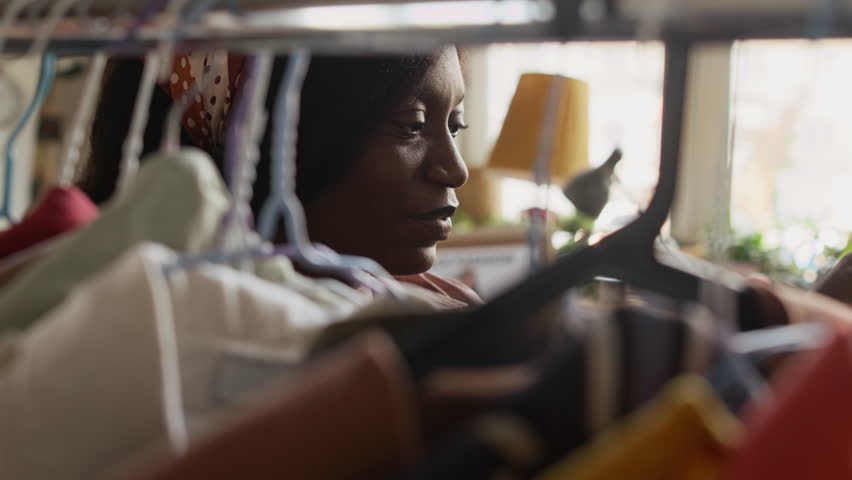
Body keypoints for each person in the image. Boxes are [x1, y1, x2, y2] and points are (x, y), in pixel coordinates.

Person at [80, 47, 482, 306]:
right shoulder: (149, 319)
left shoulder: (447, 311)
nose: (455, 170)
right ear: (276, 136)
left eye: (456, 124)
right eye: (412, 125)